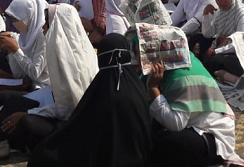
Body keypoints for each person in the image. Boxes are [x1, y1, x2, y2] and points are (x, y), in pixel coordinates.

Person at [0, 3, 97, 161]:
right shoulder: (61, 45)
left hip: (71, 120)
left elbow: (67, 109)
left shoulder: (70, 56)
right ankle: (2, 142)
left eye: (47, 24)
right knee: (9, 102)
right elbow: (19, 74)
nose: (43, 28)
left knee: (27, 122)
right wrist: (11, 50)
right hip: (52, 98)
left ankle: (9, 145)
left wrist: (27, 114)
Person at [27, 34, 152, 167]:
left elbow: (81, 126)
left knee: (42, 154)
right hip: (138, 158)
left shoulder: (103, 87)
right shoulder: (137, 85)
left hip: (102, 155)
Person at [145, 55, 240, 167]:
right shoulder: (179, 67)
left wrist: (153, 88)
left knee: (163, 143)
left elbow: (175, 123)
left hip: (213, 139)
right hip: (197, 127)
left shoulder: (182, 77)